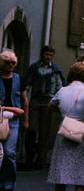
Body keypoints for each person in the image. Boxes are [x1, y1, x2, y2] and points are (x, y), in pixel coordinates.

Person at [47, 62, 84, 190]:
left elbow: (51, 105)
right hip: (81, 132)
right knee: (81, 174)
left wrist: (62, 114)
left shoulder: (62, 90)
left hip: (65, 130)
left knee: (61, 171)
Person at [23, 45, 65, 169]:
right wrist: (26, 98)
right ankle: (29, 158)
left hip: (48, 101)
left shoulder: (56, 69)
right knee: (31, 129)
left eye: (51, 55)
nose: (48, 57)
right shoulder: (35, 68)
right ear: (42, 55)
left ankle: (41, 159)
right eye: (47, 54)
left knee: (45, 131)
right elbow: (27, 85)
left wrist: (58, 102)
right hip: (36, 100)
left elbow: (60, 86)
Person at [0, 50, 26, 190]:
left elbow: (24, 100)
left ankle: (9, 183)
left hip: (14, 119)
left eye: (13, 63)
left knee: (9, 152)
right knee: (0, 153)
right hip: (0, 117)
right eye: (7, 63)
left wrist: (26, 120)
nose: (10, 65)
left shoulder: (18, 78)